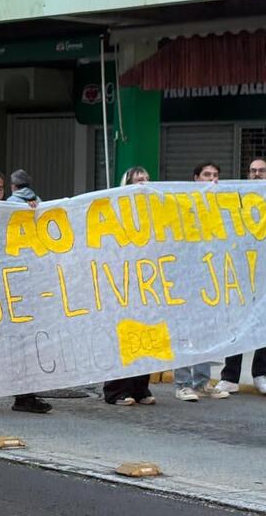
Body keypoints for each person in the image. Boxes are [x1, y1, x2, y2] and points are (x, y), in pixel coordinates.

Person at [0, 168, 53, 415]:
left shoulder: (13, 210)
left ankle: (24, 396)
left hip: (14, 287)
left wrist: (35, 212)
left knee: (21, 341)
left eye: (0, 189)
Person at [217, 158, 266, 395]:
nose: (257, 174)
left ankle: (260, 375)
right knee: (236, 325)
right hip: (240, 273)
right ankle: (230, 376)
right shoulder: (237, 198)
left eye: (261, 171)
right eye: (253, 171)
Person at [174, 162, 231, 402]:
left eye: (216, 175)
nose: (211, 179)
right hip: (185, 280)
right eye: (206, 174)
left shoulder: (219, 206)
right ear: (195, 178)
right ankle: (183, 383)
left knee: (205, 332)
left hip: (209, 279)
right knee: (185, 333)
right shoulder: (182, 205)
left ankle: (202, 382)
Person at [103, 166, 157, 406]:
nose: (143, 183)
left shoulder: (155, 210)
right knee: (122, 335)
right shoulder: (115, 210)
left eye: (146, 179)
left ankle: (140, 387)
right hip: (123, 282)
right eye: (138, 180)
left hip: (149, 281)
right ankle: (116, 391)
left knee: (146, 332)